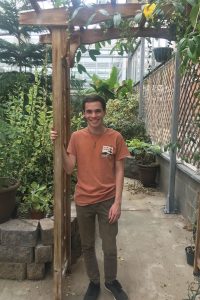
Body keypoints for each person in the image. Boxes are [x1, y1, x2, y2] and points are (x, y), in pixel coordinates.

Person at [51, 94, 130, 300]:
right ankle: (94, 282)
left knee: (109, 246)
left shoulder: (115, 137)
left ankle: (111, 281)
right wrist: (58, 144)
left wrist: (117, 203)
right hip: (84, 200)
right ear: (84, 114)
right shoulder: (77, 137)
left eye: (97, 111)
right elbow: (69, 169)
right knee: (87, 245)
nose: (93, 115)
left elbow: (120, 171)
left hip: (107, 200)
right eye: (89, 111)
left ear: (104, 112)